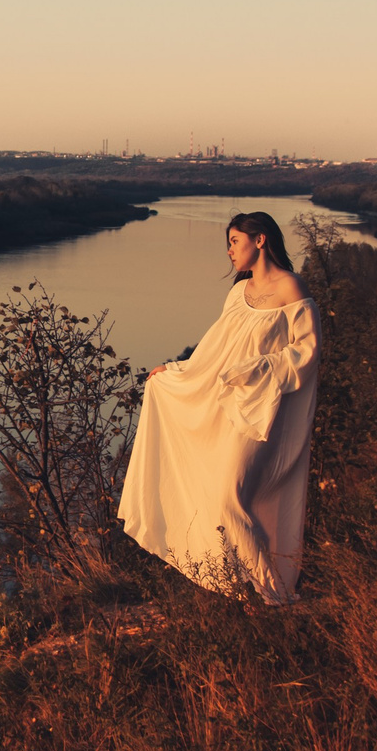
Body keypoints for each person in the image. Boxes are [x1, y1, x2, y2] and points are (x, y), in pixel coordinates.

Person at [117, 211, 320, 601]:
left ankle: (274, 597)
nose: (229, 251)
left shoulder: (290, 287)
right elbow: (215, 352)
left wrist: (263, 366)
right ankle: (250, 592)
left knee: (229, 499)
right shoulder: (237, 293)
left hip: (264, 413)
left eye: (234, 241)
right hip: (229, 408)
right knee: (224, 500)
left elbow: (308, 352)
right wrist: (176, 370)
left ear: (259, 240)